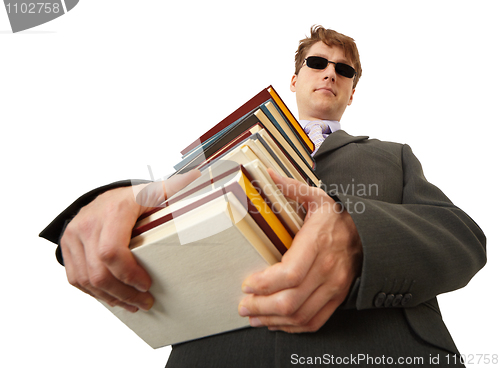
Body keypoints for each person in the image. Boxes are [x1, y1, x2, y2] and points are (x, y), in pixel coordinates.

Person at [40, 26, 486, 367]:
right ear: (294, 79)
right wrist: (115, 203)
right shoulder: (222, 148)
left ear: (352, 92)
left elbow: (462, 238)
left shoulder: (394, 156)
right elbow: (169, 206)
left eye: (344, 70)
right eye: (318, 63)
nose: (331, 72)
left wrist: (357, 236)